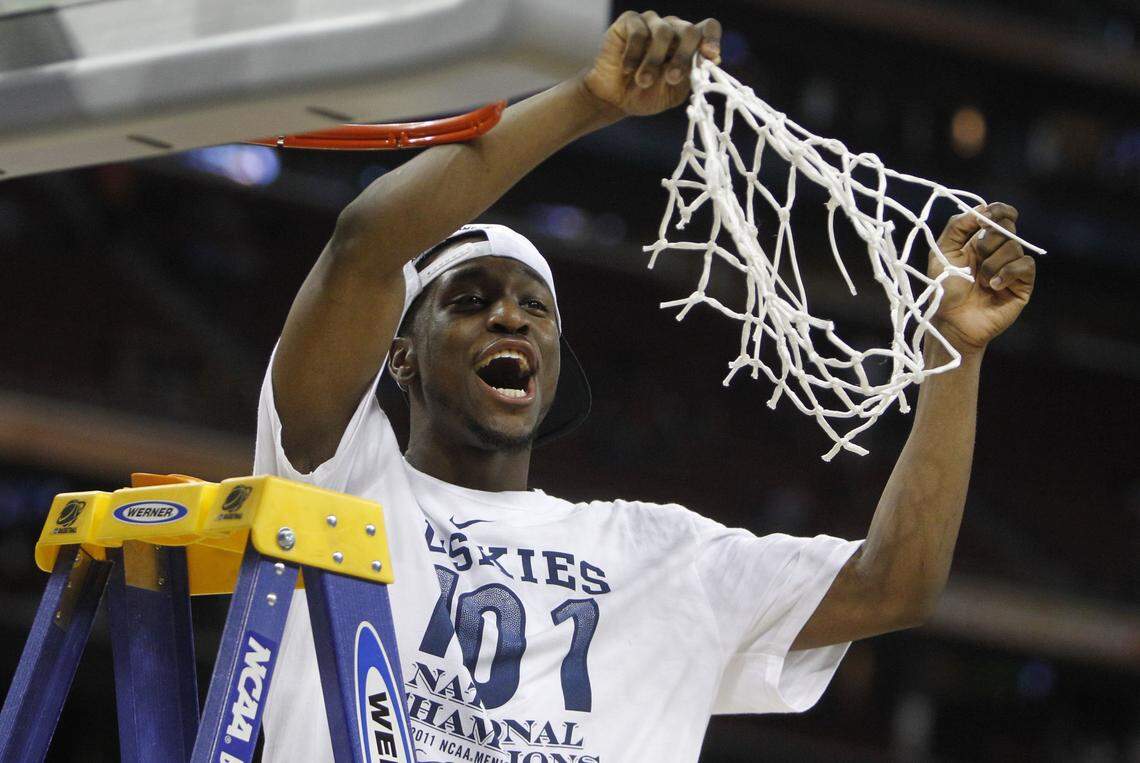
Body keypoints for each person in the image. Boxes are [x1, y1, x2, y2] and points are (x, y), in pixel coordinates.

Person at [257, 10, 1036, 763]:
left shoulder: (659, 555)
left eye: (536, 308)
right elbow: (363, 243)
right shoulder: (340, 481)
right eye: (469, 300)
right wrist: (589, 102)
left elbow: (894, 583)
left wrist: (954, 354)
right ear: (400, 357)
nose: (511, 319)